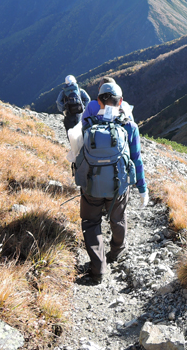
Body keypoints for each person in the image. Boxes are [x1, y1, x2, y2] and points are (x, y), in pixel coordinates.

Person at [68, 82, 147, 284]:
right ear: (120, 102)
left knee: (91, 222)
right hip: (118, 187)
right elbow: (136, 159)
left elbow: (76, 154)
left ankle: (98, 269)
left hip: (91, 187)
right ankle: (117, 251)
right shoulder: (129, 126)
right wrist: (142, 188)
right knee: (118, 218)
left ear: (98, 101)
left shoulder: (87, 123)